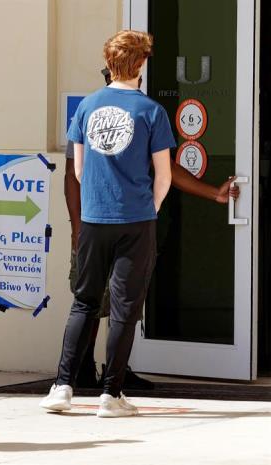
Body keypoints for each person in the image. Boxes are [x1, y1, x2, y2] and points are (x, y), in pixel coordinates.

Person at [66, 68, 240, 390]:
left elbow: (166, 169)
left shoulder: (122, 110)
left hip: (111, 226)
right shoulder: (99, 110)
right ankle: (83, 373)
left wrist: (213, 192)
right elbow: (73, 176)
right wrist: (79, 227)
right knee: (95, 303)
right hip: (103, 225)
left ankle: (109, 374)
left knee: (111, 305)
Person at [40, 30, 174, 418]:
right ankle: (110, 395)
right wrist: (149, 205)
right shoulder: (151, 111)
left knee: (83, 301)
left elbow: (78, 170)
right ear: (141, 64)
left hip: (94, 219)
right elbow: (163, 175)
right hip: (136, 220)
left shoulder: (87, 107)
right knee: (124, 309)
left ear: (109, 61)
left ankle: (62, 386)